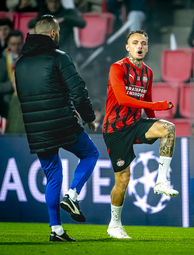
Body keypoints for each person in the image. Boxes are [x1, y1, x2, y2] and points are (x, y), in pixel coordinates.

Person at [15, 14, 99, 242]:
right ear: (53, 33)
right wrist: (89, 117)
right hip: (62, 122)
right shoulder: (59, 57)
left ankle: (56, 230)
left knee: (53, 175)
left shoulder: (20, 63)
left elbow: (23, 98)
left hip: (37, 129)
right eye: (58, 31)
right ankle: (72, 195)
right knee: (91, 153)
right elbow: (78, 91)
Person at [103, 29, 178, 239]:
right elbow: (122, 99)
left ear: (147, 47)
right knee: (123, 179)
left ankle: (161, 181)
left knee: (169, 128)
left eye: (143, 43)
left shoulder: (148, 72)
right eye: (135, 43)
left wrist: (156, 123)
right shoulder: (117, 68)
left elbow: (148, 107)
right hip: (115, 129)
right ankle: (114, 225)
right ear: (127, 47)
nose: (140, 46)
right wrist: (157, 105)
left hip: (135, 124)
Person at [2, 30, 25, 133]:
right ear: (8, 44)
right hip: (7, 100)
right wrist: (12, 86)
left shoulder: (29, 60)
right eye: (13, 44)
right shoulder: (2, 63)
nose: (16, 47)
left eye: (19, 44)